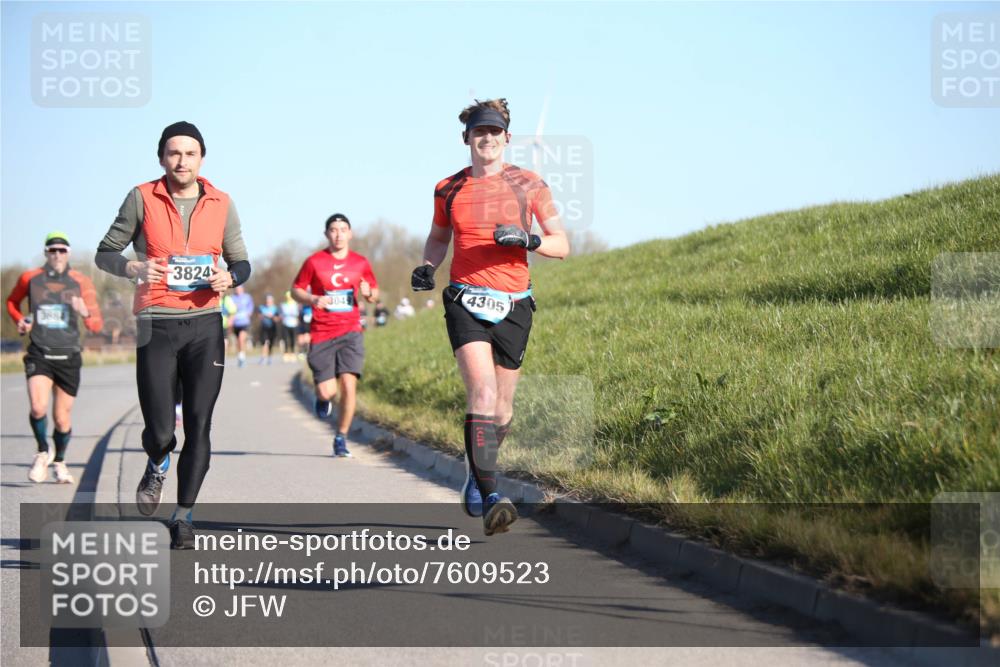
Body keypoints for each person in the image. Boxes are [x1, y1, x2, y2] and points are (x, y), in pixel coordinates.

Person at [412, 98, 569, 536]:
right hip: (465, 298)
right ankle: (492, 496)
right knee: (481, 395)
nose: (487, 138)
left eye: (494, 131)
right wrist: (428, 266)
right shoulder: (448, 188)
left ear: (507, 138)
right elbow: (438, 237)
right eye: (479, 131)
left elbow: (561, 244)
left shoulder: (530, 184)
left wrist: (528, 239)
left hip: (515, 302)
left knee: (501, 412)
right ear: (466, 138)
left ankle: (478, 472)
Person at [95, 121, 251, 549]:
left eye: (190, 153)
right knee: (162, 431)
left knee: (199, 424)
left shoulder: (222, 203)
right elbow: (105, 252)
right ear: (162, 157)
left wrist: (230, 277)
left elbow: (241, 261)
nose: (182, 161)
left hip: (205, 323)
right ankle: (158, 461)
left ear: (202, 158)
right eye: (174, 153)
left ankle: (183, 516)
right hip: (156, 322)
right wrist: (132, 267)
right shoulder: (141, 197)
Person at [6, 232, 103, 485]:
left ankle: (59, 461)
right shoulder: (29, 278)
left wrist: (84, 311)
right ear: (45, 253)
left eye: (62, 250)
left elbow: (96, 324)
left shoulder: (81, 281)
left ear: (68, 253)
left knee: (61, 419)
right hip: (40, 353)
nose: (57, 254)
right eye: (52, 250)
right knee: (38, 407)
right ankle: (42, 452)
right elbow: (12, 302)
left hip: (69, 356)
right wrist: (20, 321)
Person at [292, 213, 378, 458]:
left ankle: (341, 437)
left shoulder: (360, 262)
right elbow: (296, 289)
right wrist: (312, 298)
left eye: (343, 229)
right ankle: (322, 397)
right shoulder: (314, 261)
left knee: (349, 386)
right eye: (333, 230)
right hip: (322, 332)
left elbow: (374, 294)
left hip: (351, 331)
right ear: (326, 234)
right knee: (327, 392)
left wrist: (368, 293)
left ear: (350, 233)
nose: (338, 234)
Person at [230, 285, 254, 367]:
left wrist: (249, 313)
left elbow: (251, 306)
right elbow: (229, 309)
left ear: (243, 289)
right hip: (236, 323)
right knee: (238, 341)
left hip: (244, 322)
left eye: (239, 289)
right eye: (236, 289)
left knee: (241, 339)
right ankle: (240, 356)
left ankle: (242, 358)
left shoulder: (247, 297)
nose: (238, 290)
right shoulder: (232, 298)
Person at [257, 292, 279, 364]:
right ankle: (263, 357)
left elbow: (277, 319)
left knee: (270, 343)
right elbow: (259, 316)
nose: (268, 302)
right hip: (264, 327)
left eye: (269, 300)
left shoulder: (275, 309)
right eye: (267, 300)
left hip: (272, 328)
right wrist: (264, 315)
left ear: (272, 301)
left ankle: (269, 357)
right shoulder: (261, 307)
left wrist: (272, 317)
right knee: (264, 342)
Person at [279, 292, 299, 362]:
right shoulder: (283, 305)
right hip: (285, 324)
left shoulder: (295, 305)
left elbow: (296, 313)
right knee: (285, 339)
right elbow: (282, 314)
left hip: (293, 324)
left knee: (293, 339)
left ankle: (293, 353)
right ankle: (286, 353)